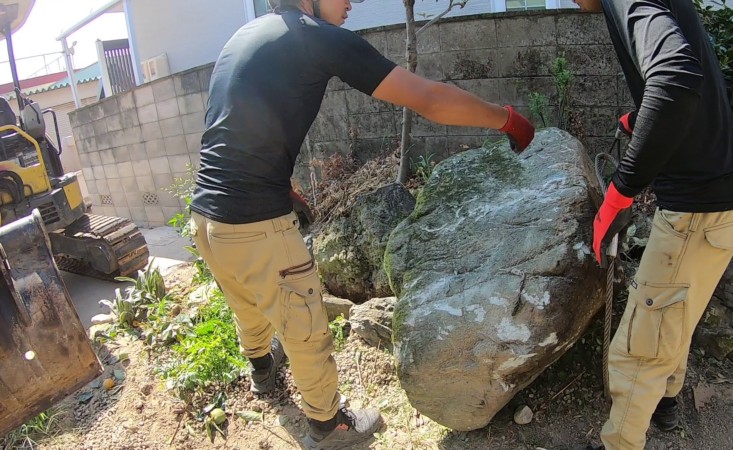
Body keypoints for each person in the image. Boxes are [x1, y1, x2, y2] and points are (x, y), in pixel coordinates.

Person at [187, 0, 536, 447]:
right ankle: (328, 426)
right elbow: (429, 99)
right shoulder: (316, 37)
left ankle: (262, 370)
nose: (353, 2)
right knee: (306, 329)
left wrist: (282, 184)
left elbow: (235, 123)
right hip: (256, 224)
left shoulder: (248, 35)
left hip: (207, 218)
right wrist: (507, 119)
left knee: (246, 300)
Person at [573, 0, 733, 449]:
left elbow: (675, 77)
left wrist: (619, 193)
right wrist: (646, 121)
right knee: (675, 314)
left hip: (697, 212)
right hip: (726, 201)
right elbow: (699, 80)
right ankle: (666, 402)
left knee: (638, 349)